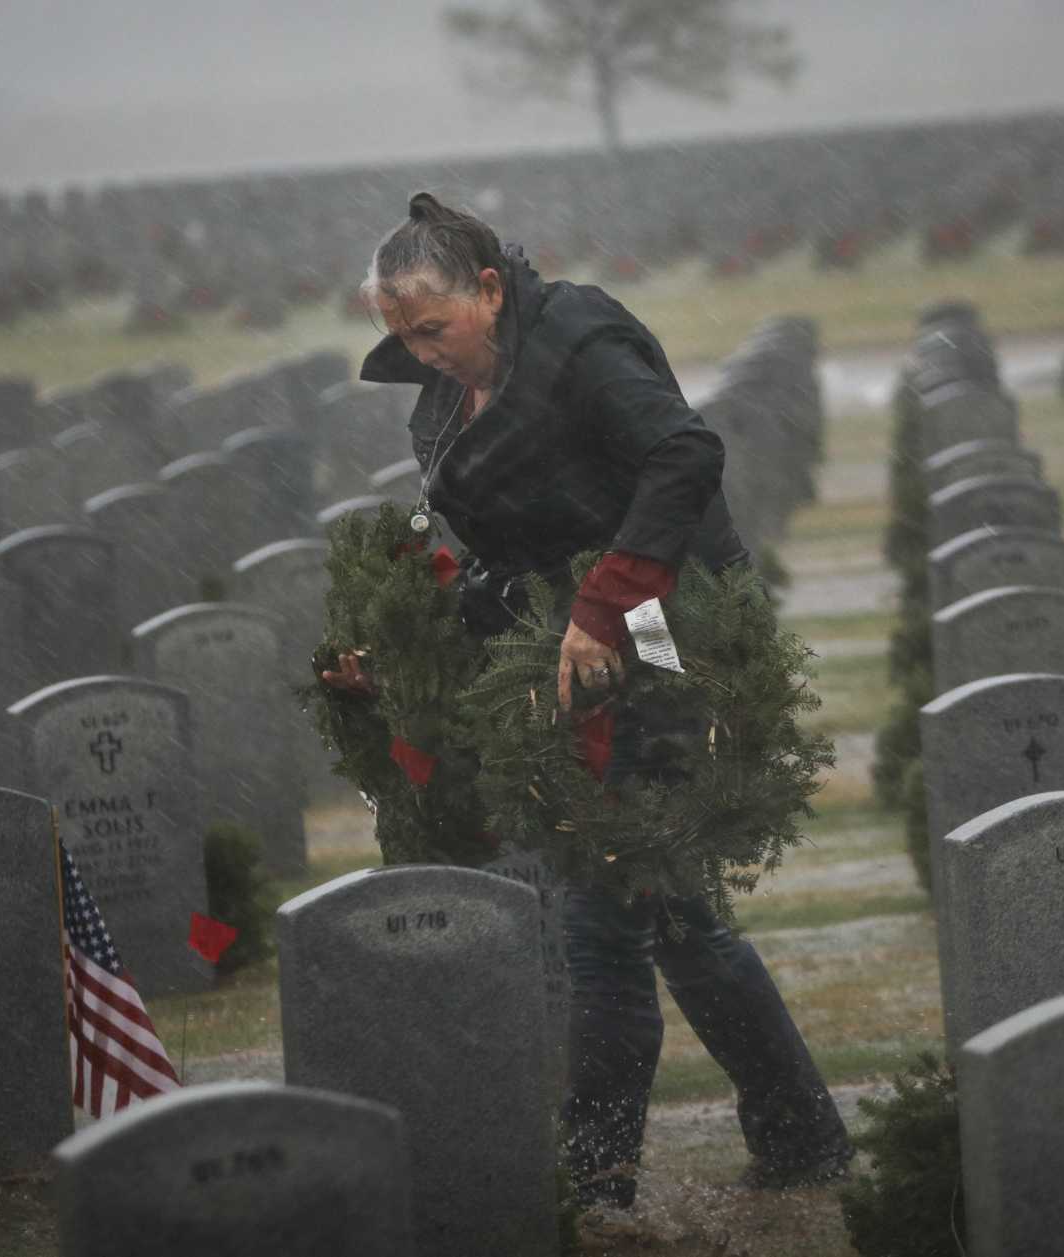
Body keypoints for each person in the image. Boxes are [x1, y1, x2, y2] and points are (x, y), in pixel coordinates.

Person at [326, 192, 851, 1208]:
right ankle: (800, 1134)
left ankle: (596, 1181)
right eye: (399, 336)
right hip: (562, 643)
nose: (421, 353)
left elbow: (683, 455)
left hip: (662, 625)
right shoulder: (443, 395)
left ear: (486, 290)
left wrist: (607, 603)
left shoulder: (577, 336)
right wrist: (402, 652)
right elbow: (503, 555)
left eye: (431, 329)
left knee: (605, 906)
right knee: (676, 916)